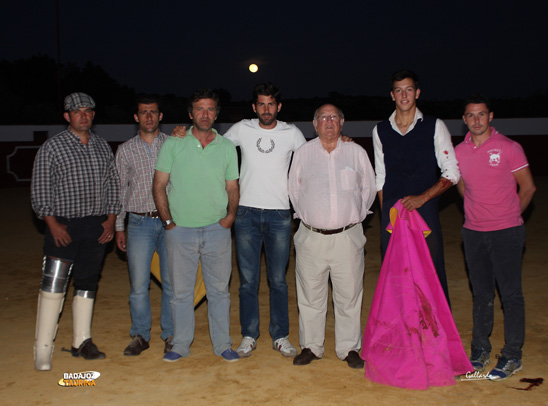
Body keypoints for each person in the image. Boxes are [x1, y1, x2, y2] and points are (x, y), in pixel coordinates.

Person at [31, 92, 120, 371]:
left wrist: (110, 220)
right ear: (67, 116)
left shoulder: (102, 147)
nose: (84, 115)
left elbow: (113, 186)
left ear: (93, 115)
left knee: (87, 283)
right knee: (53, 286)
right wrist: (53, 223)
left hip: (95, 226)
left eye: (89, 111)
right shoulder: (52, 148)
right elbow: (41, 188)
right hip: (63, 226)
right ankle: (42, 350)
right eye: (77, 111)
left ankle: (82, 341)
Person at [153, 89, 240, 362]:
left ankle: (223, 344)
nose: (205, 114)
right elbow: (158, 185)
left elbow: (233, 187)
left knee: (219, 292)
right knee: (180, 293)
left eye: (210, 109)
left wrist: (230, 217)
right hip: (180, 231)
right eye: (200, 109)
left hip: (217, 229)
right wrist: (168, 221)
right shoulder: (173, 143)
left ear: (216, 113)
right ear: (191, 114)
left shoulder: (226, 147)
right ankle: (180, 344)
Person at [288, 104, 376, 369]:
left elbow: (369, 189)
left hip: (347, 238)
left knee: (349, 295)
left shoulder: (356, 152)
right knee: (310, 296)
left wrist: (351, 218)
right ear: (314, 124)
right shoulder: (303, 153)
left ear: (342, 122)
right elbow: (294, 191)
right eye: (323, 117)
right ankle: (311, 347)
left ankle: (349, 348)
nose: (328, 121)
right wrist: (312, 219)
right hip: (311, 238)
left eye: (334, 117)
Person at [222, 83, 305, 358]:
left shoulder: (291, 132)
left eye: (271, 104)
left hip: (280, 214)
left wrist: (345, 140)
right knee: (247, 281)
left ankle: (280, 335)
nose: (266, 109)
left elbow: (311, 159)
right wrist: (184, 133)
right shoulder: (241, 129)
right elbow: (214, 144)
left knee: (278, 280)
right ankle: (249, 335)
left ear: (279, 107)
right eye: (261, 104)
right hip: (245, 213)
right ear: (254, 107)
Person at [455, 95, 535, 381]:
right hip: (474, 232)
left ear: (490, 117)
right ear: (464, 119)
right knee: (481, 295)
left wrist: (508, 217)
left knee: (511, 295)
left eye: (481, 115)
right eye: (470, 115)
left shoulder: (509, 148)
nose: (476, 120)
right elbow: (462, 187)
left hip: (506, 232)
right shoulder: (458, 152)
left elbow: (527, 188)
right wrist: (479, 214)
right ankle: (479, 351)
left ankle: (513, 355)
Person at [372, 70, 460, 304]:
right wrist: (386, 219)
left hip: (425, 210)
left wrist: (423, 198)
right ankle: (402, 332)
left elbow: (452, 172)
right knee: (396, 275)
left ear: (417, 93)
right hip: (393, 211)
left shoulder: (434, 125)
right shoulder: (380, 130)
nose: (404, 95)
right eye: (398, 90)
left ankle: (437, 333)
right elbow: (380, 177)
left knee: (431, 270)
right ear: (392, 95)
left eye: (409, 89)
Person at [115, 98, 174, 356]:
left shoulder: (173, 145)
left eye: (153, 112)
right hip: (138, 222)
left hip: (170, 222)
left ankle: (171, 334)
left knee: (171, 282)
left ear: (160, 116)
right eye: (143, 113)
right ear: (136, 117)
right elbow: (119, 191)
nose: (148, 117)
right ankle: (140, 335)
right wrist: (119, 226)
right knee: (139, 285)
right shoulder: (126, 150)